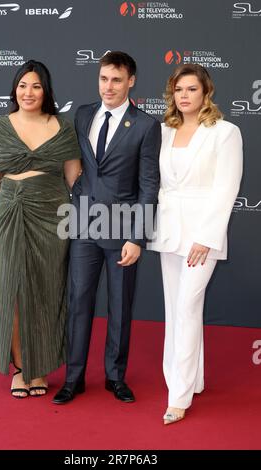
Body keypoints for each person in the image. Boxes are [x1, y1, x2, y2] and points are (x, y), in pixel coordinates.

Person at [53, 51, 161, 404]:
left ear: (131, 82)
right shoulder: (83, 114)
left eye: (116, 79)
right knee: (79, 302)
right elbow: (77, 163)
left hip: (122, 231)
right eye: (103, 79)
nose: (108, 86)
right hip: (84, 225)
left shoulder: (145, 125)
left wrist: (137, 236)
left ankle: (115, 377)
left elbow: (148, 185)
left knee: (120, 306)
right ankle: (74, 377)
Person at [148, 64, 243, 424]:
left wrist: (207, 237)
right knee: (176, 310)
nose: (184, 96)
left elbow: (227, 187)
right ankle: (191, 379)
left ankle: (179, 396)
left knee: (187, 307)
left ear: (206, 93)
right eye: (178, 90)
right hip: (168, 230)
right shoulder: (164, 132)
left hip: (202, 234)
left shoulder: (224, 132)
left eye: (191, 89)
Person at [0, 60, 81, 398]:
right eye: (23, 85)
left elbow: (74, 179)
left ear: (46, 90)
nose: (29, 92)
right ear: (15, 89)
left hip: (53, 213)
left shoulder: (63, 126)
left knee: (47, 290)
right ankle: (21, 368)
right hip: (10, 210)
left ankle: (40, 369)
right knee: (11, 290)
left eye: (36, 86)